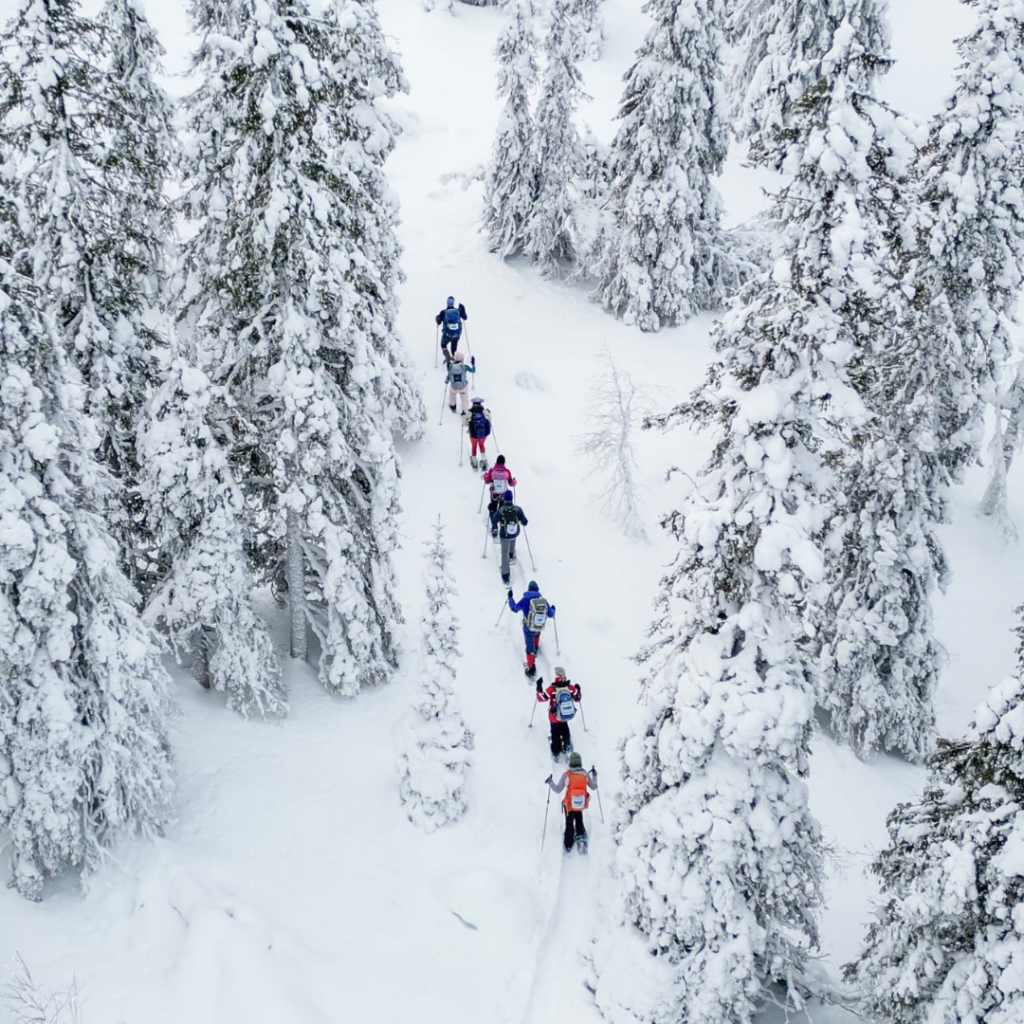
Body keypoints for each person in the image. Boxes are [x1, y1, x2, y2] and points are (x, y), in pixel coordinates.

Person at [546, 753, 598, 854]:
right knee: (579, 818)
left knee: (569, 823)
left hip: (569, 805)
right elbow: (594, 787)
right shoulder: (585, 775)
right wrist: (594, 776)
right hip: (581, 803)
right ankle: (580, 835)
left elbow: (557, 789)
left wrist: (550, 782)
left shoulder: (567, 775)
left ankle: (569, 842)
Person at [507, 580, 555, 678]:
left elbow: (515, 608)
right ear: (537, 589)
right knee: (537, 635)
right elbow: (551, 614)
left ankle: (531, 669)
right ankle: (536, 648)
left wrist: (510, 598)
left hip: (528, 628)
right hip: (539, 627)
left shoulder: (525, 600)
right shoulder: (543, 601)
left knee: (529, 648)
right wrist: (553, 609)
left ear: (529, 589)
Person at [536, 668, 581, 761]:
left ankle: (556, 751)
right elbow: (577, 698)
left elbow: (541, 698)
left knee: (555, 732)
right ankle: (567, 745)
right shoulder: (570, 687)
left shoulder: (552, 689)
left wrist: (539, 686)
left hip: (554, 716)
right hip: (565, 715)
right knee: (565, 729)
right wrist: (578, 689)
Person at [496, 492, 528, 585]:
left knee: (504, 552)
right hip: (515, 533)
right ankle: (511, 554)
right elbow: (525, 522)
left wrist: (490, 511)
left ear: (504, 499)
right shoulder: (518, 509)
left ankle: (506, 575)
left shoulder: (501, 510)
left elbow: (494, 520)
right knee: (513, 537)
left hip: (504, 535)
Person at [464, 398, 492, 471]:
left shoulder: (470, 412)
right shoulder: (484, 411)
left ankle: (474, 461)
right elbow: (489, 419)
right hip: (483, 434)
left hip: (473, 434)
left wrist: (463, 417)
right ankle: (484, 461)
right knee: (481, 445)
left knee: (474, 446)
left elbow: (465, 423)